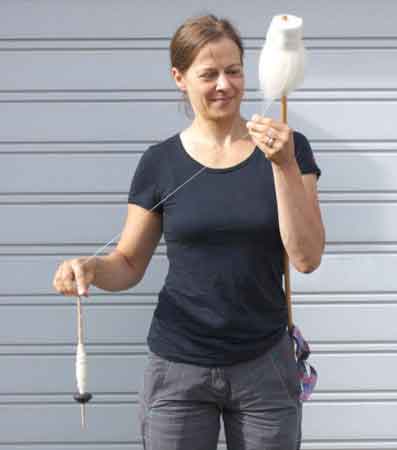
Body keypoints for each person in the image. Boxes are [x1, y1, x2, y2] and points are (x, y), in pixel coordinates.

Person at [52, 14, 325, 450]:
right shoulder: (159, 162)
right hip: (178, 366)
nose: (225, 85)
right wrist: (90, 268)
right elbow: (127, 263)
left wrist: (285, 166)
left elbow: (307, 257)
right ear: (179, 78)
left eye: (234, 70)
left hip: (264, 364)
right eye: (209, 74)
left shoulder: (289, 149)